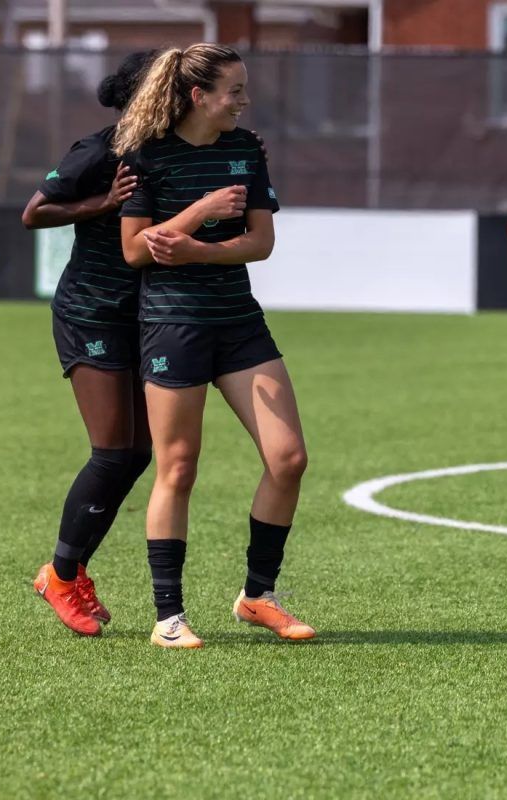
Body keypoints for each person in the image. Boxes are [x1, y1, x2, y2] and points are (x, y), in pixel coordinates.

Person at [114, 44, 315, 649]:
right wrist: (200, 211)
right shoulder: (145, 156)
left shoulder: (245, 149)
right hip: (173, 324)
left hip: (239, 323)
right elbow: (133, 250)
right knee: (178, 466)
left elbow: (261, 243)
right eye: (234, 91)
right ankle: (168, 617)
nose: (244, 101)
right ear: (198, 96)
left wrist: (199, 249)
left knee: (289, 459)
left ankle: (258, 596)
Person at [23, 52, 157, 638]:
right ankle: (59, 574)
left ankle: (70, 570)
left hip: (143, 315)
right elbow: (35, 212)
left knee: (138, 453)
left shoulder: (171, 149)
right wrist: (101, 204)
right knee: (112, 451)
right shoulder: (100, 151)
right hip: (91, 312)